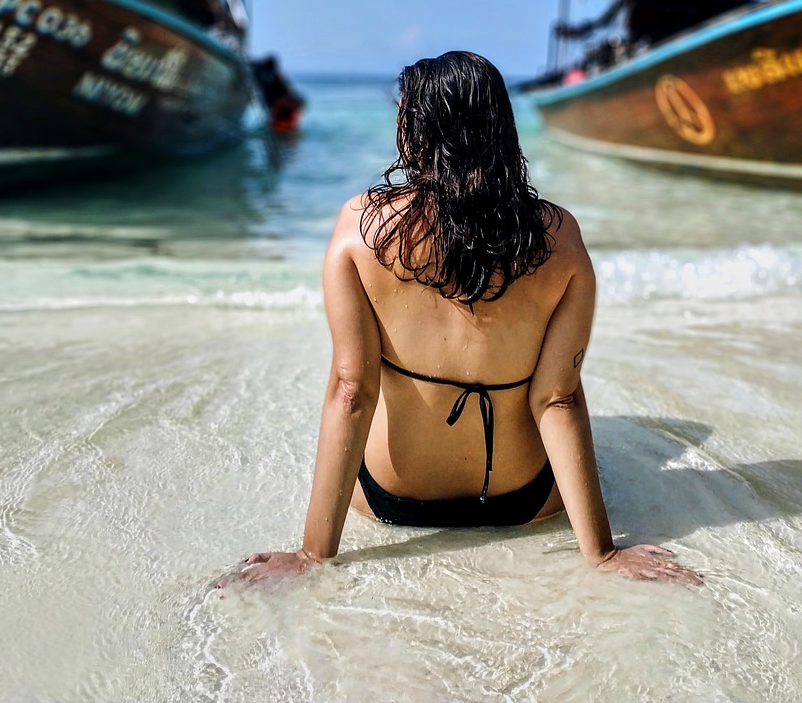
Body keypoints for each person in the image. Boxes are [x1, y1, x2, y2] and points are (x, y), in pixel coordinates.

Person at [225, 52, 701, 587]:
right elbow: (556, 398)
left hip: (393, 498)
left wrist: (313, 556)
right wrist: (603, 553)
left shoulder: (362, 230)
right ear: (502, 129)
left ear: (413, 134)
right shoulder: (560, 240)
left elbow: (351, 390)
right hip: (522, 500)